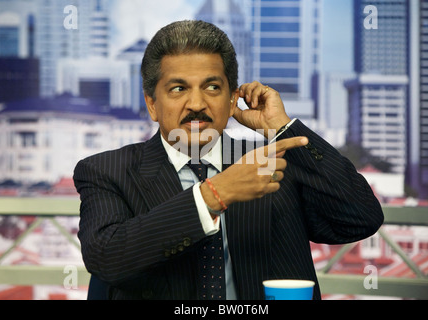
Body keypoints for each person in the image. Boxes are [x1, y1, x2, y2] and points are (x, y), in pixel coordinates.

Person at [73, 20, 384, 300]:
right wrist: (214, 194)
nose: (196, 103)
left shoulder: (274, 162)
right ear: (152, 104)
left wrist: (282, 128)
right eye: (179, 88)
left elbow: (361, 217)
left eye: (212, 87)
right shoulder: (106, 172)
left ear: (232, 98)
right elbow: (107, 258)